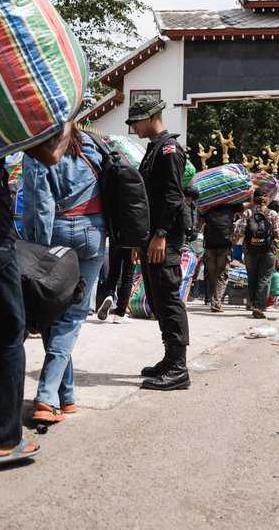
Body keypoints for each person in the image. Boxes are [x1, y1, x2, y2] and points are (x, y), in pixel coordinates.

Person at [22, 122, 107, 426]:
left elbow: (39, 206)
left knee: (52, 312)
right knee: (70, 319)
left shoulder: (39, 148)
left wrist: (37, 251)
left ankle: (46, 396)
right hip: (94, 232)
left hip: (56, 230)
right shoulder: (96, 145)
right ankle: (65, 396)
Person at [126, 95, 191, 390]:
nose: (132, 126)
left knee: (167, 298)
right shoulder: (153, 149)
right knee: (155, 298)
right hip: (151, 237)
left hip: (164, 239)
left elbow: (173, 198)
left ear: (153, 117)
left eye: (136, 120)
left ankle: (179, 368)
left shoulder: (169, 149)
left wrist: (161, 235)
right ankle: (169, 358)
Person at [232, 186, 279, 320]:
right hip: (268, 251)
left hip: (250, 250)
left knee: (253, 278)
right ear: (266, 199)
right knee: (265, 279)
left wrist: (233, 241)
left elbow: (240, 232)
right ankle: (259, 307)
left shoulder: (247, 213)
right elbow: (278, 234)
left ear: (254, 199)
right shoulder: (272, 214)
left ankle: (255, 304)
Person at [197, 198, 239, 313]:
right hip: (224, 246)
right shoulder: (231, 207)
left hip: (209, 247)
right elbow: (249, 203)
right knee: (222, 274)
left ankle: (212, 300)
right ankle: (216, 302)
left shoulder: (209, 209)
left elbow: (199, 223)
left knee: (211, 274)